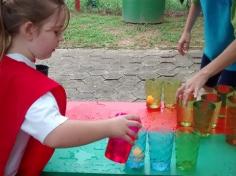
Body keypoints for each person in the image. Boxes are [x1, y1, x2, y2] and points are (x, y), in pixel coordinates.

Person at [0, 1, 141, 176]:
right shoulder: (26, 85)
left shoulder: (5, 68)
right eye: (56, 31)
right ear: (29, 30)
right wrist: (111, 127)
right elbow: (55, 133)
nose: (61, 38)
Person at [177, 0, 236, 102]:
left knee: (225, 105)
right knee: (207, 88)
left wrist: (203, 74)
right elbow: (197, 3)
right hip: (211, 50)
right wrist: (187, 31)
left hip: (233, 59)